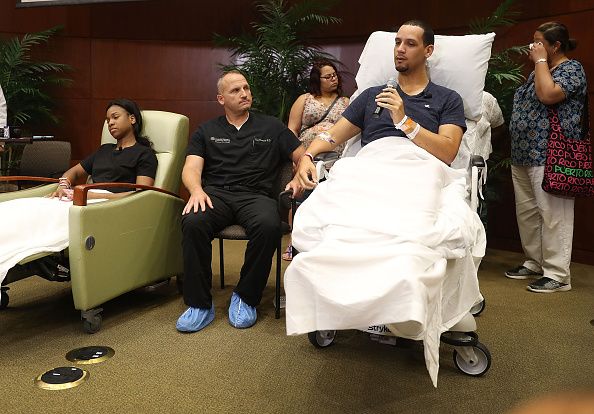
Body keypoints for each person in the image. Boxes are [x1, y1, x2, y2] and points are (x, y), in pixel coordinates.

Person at [286, 21, 483, 387]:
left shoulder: (446, 99)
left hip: (420, 169)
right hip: (371, 166)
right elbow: (332, 136)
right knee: (333, 207)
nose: (400, 49)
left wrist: (404, 120)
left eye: (410, 43)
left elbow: (448, 151)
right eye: (396, 42)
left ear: (428, 51)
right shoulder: (372, 94)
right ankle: (336, 286)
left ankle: (405, 288)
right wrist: (307, 158)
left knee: (414, 224)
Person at [176, 70, 304, 333]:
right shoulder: (207, 130)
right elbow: (191, 168)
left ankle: (245, 297)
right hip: (216, 195)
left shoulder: (271, 127)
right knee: (193, 222)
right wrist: (196, 190)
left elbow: (301, 155)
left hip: (255, 196)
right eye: (236, 90)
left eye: (246, 88)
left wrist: (299, 176)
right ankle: (199, 304)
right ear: (221, 98)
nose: (244, 94)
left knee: (269, 226)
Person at [0, 98, 158, 284]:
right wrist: (63, 185)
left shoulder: (144, 154)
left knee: (41, 215)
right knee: (20, 207)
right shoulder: (104, 150)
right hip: (82, 197)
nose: (110, 123)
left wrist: (88, 194)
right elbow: (73, 172)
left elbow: (141, 194)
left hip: (108, 204)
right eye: (108, 120)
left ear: (132, 119)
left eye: (115, 117)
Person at [506, 22, 587, 293]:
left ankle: (558, 273)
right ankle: (536, 261)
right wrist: (541, 63)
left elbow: (548, 95)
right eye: (533, 42)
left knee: (554, 215)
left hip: (550, 152)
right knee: (528, 213)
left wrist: (540, 61)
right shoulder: (539, 71)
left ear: (556, 46)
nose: (533, 47)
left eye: (539, 43)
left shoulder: (572, 69)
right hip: (523, 152)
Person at [283, 60, 349, 260]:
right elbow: (292, 129)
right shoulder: (305, 99)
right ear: (317, 80)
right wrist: (297, 156)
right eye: (327, 76)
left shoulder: (346, 102)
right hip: (306, 156)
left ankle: (324, 243)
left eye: (335, 75)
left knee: (330, 199)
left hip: (336, 157)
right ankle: (294, 240)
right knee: (300, 195)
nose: (333, 79)